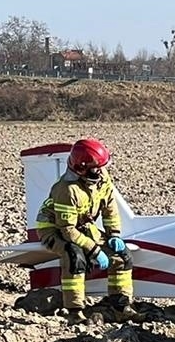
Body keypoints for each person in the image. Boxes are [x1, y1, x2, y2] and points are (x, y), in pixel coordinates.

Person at [35, 136, 134, 322]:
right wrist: (95, 250)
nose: (101, 171)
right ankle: (74, 312)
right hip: (54, 228)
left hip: (82, 225)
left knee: (122, 257)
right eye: (96, 168)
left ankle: (121, 307)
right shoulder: (67, 189)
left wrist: (114, 234)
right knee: (74, 256)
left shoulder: (102, 178)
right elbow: (67, 231)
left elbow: (109, 206)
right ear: (82, 168)